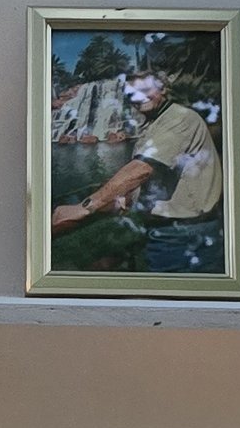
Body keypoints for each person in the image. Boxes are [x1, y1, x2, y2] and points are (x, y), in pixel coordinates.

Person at [47, 65, 224, 274]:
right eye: (133, 93)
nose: (139, 97)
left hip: (183, 234)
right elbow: (159, 173)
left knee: (167, 299)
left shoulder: (180, 118)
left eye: (146, 90)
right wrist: (126, 196)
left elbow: (141, 169)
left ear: (163, 89)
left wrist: (85, 208)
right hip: (174, 230)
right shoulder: (156, 123)